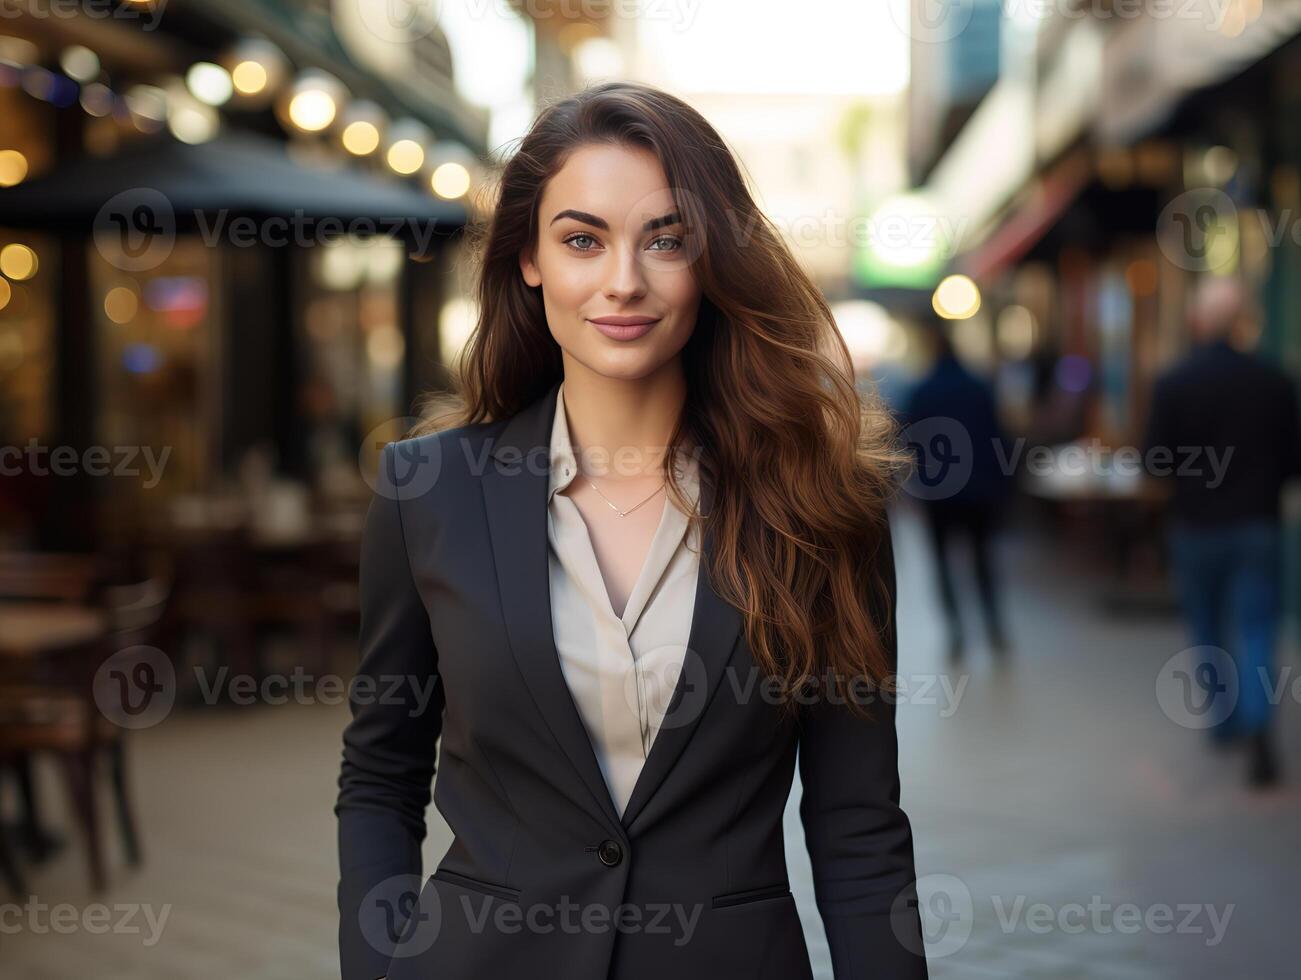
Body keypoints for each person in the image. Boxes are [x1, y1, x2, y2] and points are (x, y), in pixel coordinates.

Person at [335, 82, 929, 980]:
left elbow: (857, 824)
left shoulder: (818, 504)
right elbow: (381, 777)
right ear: (529, 259)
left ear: (712, 259)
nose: (623, 280)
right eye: (582, 239)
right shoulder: (426, 492)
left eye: (665, 239)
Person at [1142, 275, 1301, 789]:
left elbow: (1154, 462)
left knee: (1207, 627)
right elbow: (1293, 460)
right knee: (1257, 628)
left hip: (1196, 527)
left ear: (1199, 321)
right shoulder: (1273, 380)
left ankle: (1224, 722)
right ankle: (1258, 722)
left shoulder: (1174, 382)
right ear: (1242, 320)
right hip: (1257, 522)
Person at [902, 321, 1012, 662]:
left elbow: (909, 442)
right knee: (983, 557)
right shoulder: (979, 388)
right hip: (980, 489)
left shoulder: (921, 391)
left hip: (939, 492)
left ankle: (956, 631)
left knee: (943, 562)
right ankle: (993, 625)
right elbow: (999, 439)